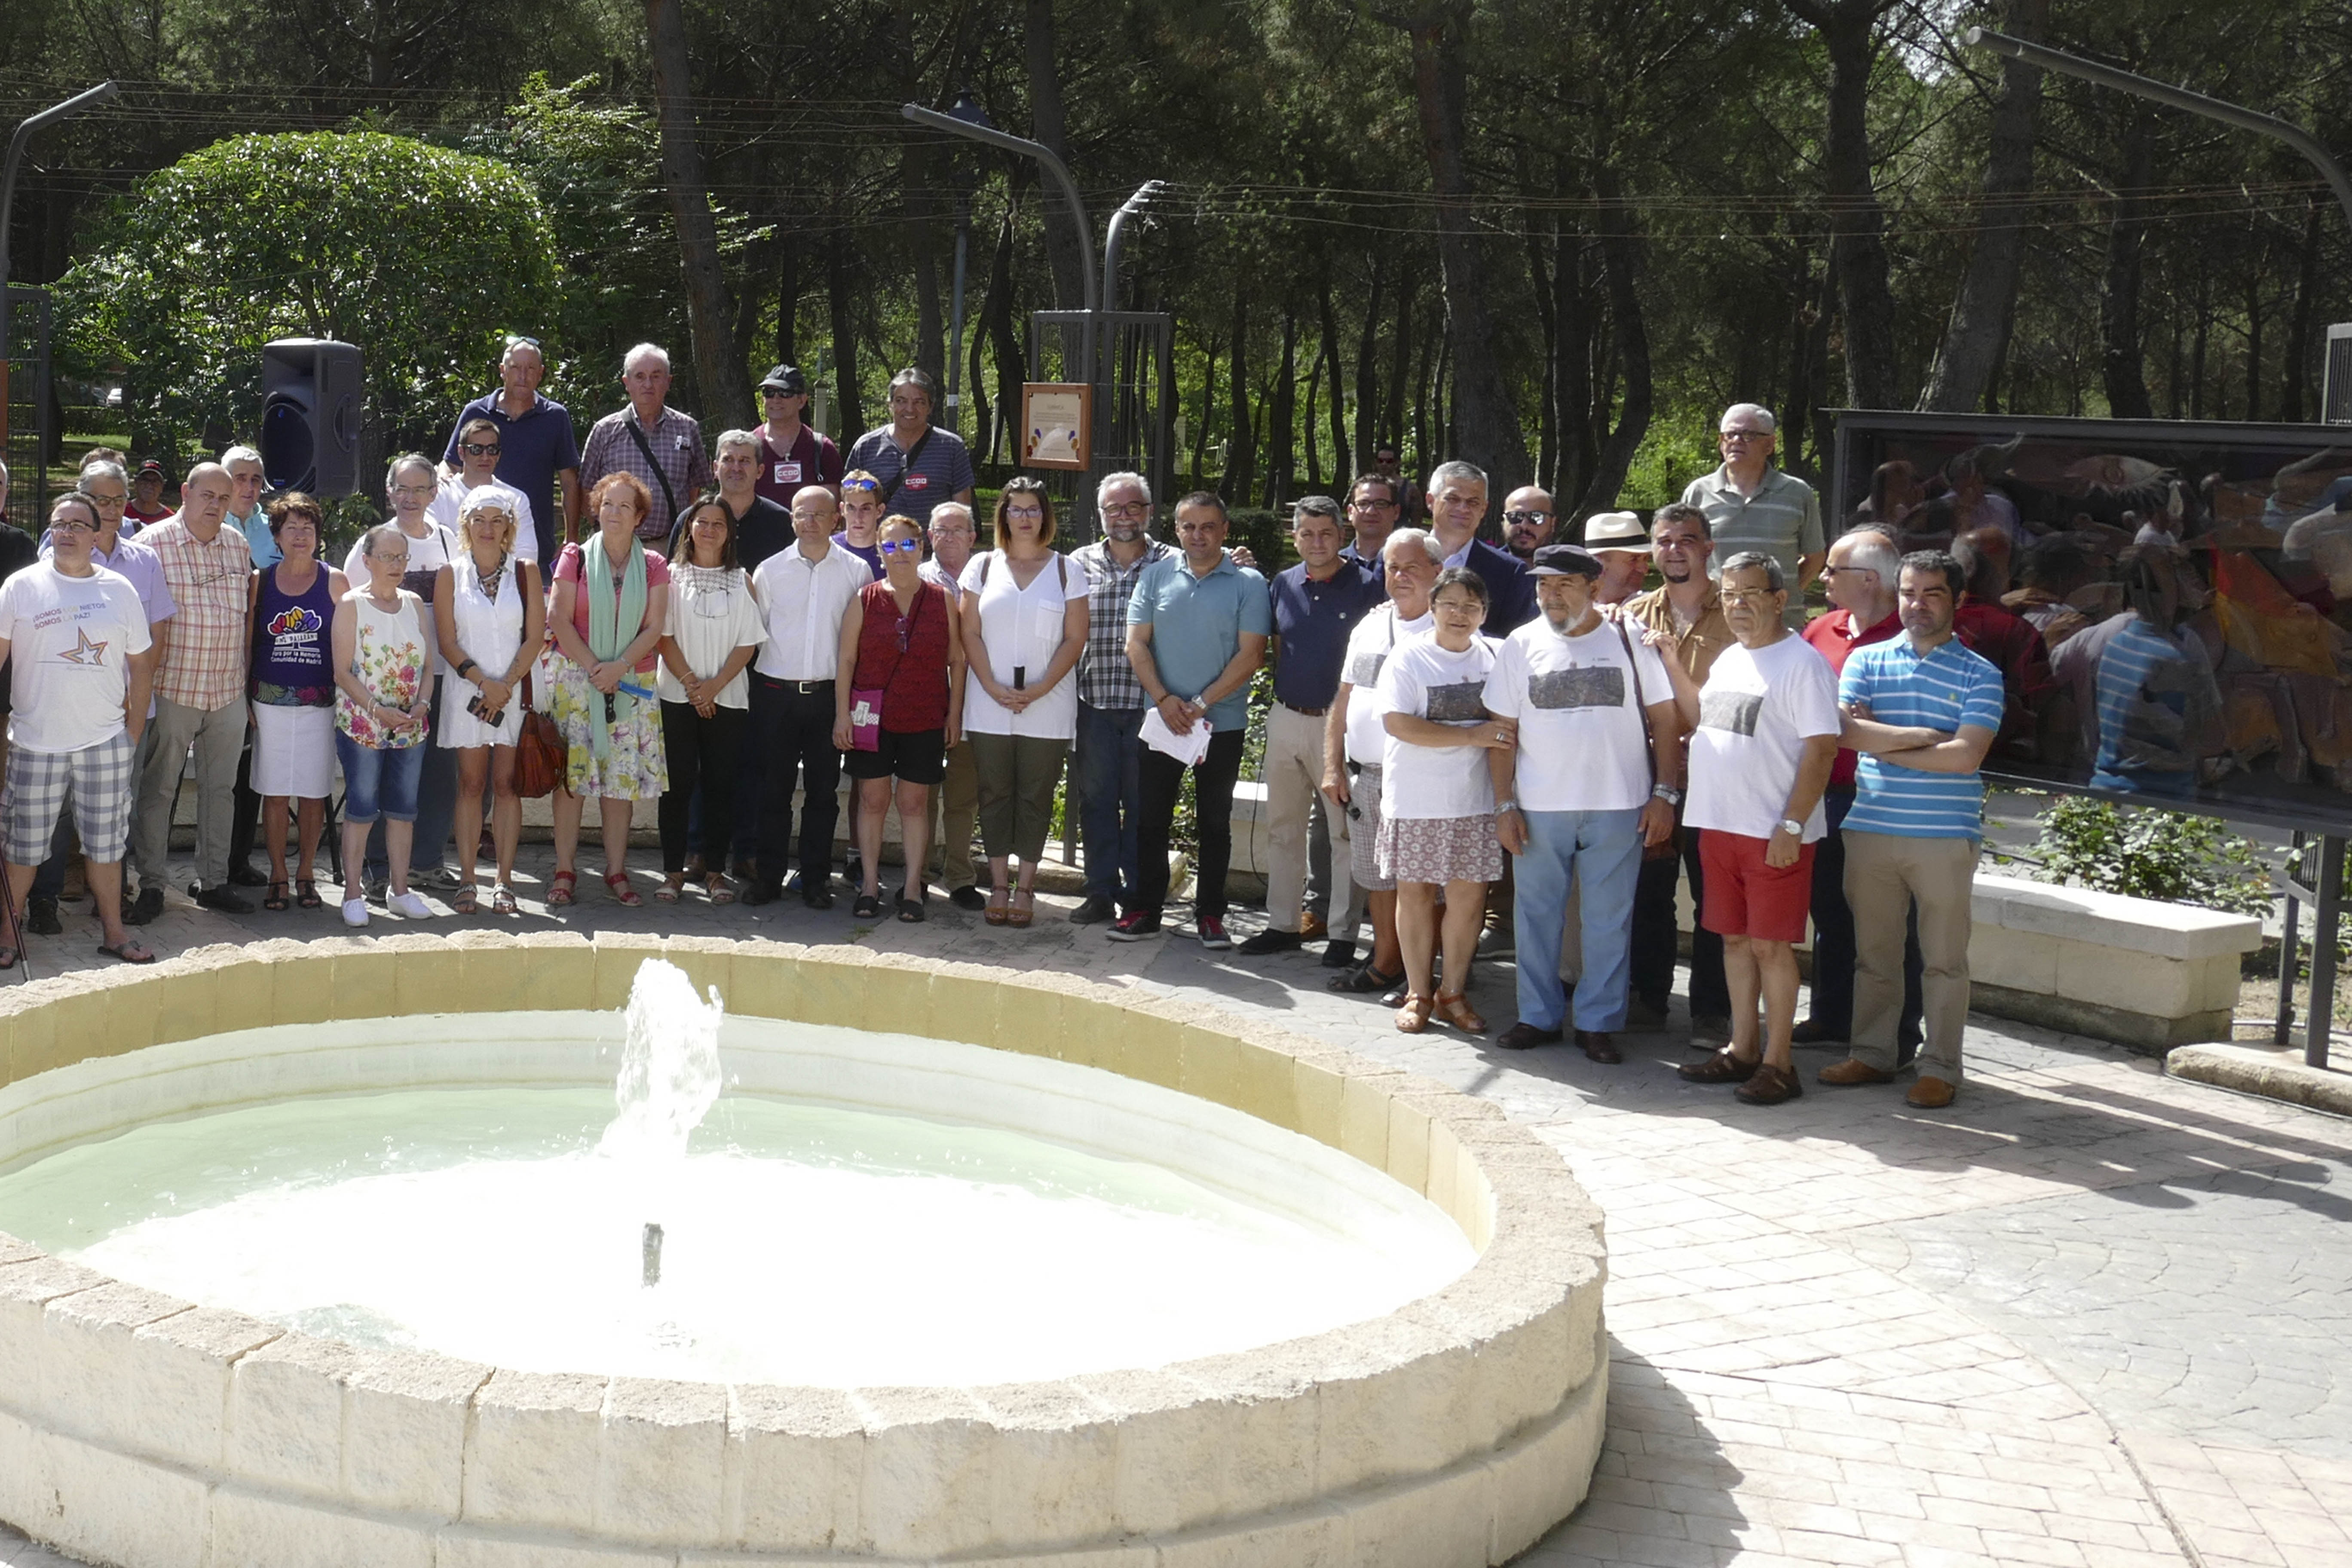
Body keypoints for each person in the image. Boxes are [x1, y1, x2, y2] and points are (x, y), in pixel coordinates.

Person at [1651, 553, 1842, 1107]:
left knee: (1771, 948)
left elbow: (1822, 748)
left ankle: (1781, 1065)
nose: (1736, 605)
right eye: (1729, 594)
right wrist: (1669, 661)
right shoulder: (1733, 657)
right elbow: (1701, 718)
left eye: (1750, 594)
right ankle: (1743, 1049)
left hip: (1772, 832)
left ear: (1780, 599)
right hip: (1720, 826)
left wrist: (1792, 823)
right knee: (1733, 942)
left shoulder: (1802, 665)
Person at [1822, 551, 2004, 1110]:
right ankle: (1874, 1054)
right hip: (1870, 828)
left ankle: (1941, 1067)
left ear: (1956, 600)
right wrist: (1923, 736)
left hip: (1944, 838)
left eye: (1932, 593)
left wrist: (1888, 739)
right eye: (1908, 592)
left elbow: (1965, 758)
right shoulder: (1866, 660)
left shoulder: (1982, 673)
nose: (1917, 604)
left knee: (1944, 960)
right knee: (1874, 955)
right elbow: (1843, 734)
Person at [1485, 543, 1680, 1061]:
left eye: (1564, 585)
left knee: (1608, 920)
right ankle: (1538, 1017)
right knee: (1536, 917)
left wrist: (1664, 794)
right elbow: (1502, 731)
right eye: (1543, 585)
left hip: (1620, 803)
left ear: (1594, 589)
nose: (1550, 595)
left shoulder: (1629, 637)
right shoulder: (1520, 645)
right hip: (1538, 807)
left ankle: (1598, 1023)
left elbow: (1665, 719)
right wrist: (1504, 805)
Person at [0, 493, 158, 965]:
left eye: (77, 524)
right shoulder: (19, 588)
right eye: (59, 524)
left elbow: (143, 667)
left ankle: (114, 933)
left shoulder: (120, 591)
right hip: (35, 741)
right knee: (23, 848)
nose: (67, 532)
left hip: (104, 742)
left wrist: (131, 733)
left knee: (107, 846)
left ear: (96, 535)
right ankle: (8, 937)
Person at [24, 462, 175, 935]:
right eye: (100, 501)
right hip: (56, 715)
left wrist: (133, 718)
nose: (110, 510)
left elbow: (154, 638)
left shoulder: (143, 562)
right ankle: (44, 902)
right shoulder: (53, 555)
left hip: (123, 714)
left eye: (116, 501)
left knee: (116, 814)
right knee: (54, 817)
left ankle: (110, 906)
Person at [1116, 491, 1270, 945]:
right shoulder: (1155, 576)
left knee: (1214, 823)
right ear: (1176, 531)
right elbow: (1136, 644)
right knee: (1149, 819)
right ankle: (1145, 909)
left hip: (1220, 723)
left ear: (1225, 530)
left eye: (1208, 526)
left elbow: (1253, 654)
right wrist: (1164, 700)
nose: (1197, 535)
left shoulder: (1249, 582)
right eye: (1188, 527)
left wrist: (1200, 704)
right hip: (1162, 721)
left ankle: (1211, 915)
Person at [1241, 495, 1380, 959]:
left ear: (1342, 535)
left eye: (1326, 533)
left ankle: (1342, 934)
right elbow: (1281, 648)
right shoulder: (1282, 583)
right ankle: (1282, 923)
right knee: (1283, 826)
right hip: (1286, 716)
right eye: (1307, 533)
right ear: (1295, 537)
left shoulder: (1368, 585)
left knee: (1343, 833)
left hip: (1337, 725)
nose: (1317, 542)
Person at [1797, 527, 1917, 1050]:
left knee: (1888, 921)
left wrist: (1876, 726)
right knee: (1827, 910)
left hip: (1884, 798)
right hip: (1822, 792)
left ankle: (1896, 1031)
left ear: (1869, 580)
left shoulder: (1910, 635)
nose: (1822, 577)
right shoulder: (1819, 629)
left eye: (1833, 570)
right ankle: (1830, 1015)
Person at [1622, 502, 1737, 1035]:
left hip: (1720, 779)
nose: (1675, 550)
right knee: (1650, 894)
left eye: (1686, 540)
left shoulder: (1737, 613)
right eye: (1664, 541)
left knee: (1716, 900)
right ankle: (1650, 997)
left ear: (1708, 548)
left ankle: (1713, 1010)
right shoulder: (1631, 616)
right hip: (1652, 778)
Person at [1377, 567, 1510, 1033]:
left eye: (1471, 606)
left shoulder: (1496, 655)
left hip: (1474, 802)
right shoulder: (1409, 659)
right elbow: (1398, 724)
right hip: (1416, 799)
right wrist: (1473, 734)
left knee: (1468, 900)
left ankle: (1453, 992)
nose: (1460, 614)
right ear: (1433, 608)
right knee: (1413, 894)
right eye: (1450, 604)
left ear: (1484, 613)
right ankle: (1418, 994)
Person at [959, 479, 1086, 927]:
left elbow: (1076, 638)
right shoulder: (982, 566)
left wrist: (1040, 688)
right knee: (993, 794)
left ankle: (1026, 888)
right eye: (1016, 510)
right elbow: (969, 631)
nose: (1025, 518)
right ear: (1004, 517)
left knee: (1035, 796)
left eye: (1033, 509)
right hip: (989, 700)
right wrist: (992, 686)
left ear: (1045, 515)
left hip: (1047, 704)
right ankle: (997, 884)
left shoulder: (1068, 570)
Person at [127, 462, 251, 919]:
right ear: (185, 493)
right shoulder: (150, 546)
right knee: (158, 791)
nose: (216, 506)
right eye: (208, 496)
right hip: (173, 688)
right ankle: (153, 886)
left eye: (224, 498)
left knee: (222, 790)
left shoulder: (238, 546)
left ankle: (214, 881)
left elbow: (246, 618)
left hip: (226, 690)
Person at [1323, 529, 1442, 998]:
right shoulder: (1370, 625)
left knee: (1425, 883)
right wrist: (1333, 765)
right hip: (1368, 776)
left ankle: (1422, 974)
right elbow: (1344, 698)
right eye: (1394, 567)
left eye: (1413, 567)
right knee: (1378, 877)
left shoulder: (1449, 628)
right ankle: (1388, 964)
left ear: (1438, 572)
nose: (1402, 576)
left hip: (1425, 780)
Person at [547, 473, 671, 908]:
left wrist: (618, 668)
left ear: (639, 517)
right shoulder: (575, 557)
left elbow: (655, 626)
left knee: (620, 785)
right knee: (572, 783)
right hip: (578, 682)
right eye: (606, 505)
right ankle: (565, 870)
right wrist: (596, 667)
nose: (613, 513)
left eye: (624, 507)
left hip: (630, 684)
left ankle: (616, 870)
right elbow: (558, 618)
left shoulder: (654, 565)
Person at [345, 456, 464, 900]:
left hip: (437, 676)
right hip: (382, 682)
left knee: (437, 774)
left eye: (421, 489)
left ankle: (428, 863)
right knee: (380, 778)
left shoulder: (452, 542)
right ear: (389, 492)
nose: (412, 498)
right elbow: (353, 606)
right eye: (403, 489)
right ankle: (378, 871)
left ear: (435, 493)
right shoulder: (371, 543)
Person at [746, 486, 869, 908]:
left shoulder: (856, 572)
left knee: (823, 794)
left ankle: (816, 880)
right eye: (803, 513)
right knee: (772, 792)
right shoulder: (769, 570)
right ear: (792, 519)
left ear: (836, 518)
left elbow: (859, 645)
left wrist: (845, 710)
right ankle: (768, 877)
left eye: (820, 514)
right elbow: (754, 636)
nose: (811, 521)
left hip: (827, 698)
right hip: (775, 695)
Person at [836, 514, 962, 919]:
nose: (899, 553)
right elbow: (847, 660)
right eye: (890, 546)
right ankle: (870, 885)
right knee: (872, 800)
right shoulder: (865, 598)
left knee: (914, 802)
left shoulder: (942, 598)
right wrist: (842, 716)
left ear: (921, 548)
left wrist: (954, 714)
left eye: (907, 544)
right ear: (879, 551)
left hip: (925, 714)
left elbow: (957, 660)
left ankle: (911, 888)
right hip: (870, 717)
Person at [1069, 472, 1176, 925]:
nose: (1124, 516)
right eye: (1114, 509)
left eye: (1133, 507)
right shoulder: (1078, 563)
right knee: (1095, 800)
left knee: (1142, 804)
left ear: (1150, 512)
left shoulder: (1173, 562)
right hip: (1094, 702)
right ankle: (1099, 891)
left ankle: (1139, 894)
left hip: (1150, 704)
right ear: (1101, 516)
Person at [435, 484, 546, 916]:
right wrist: (486, 684)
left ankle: (504, 881)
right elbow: (447, 641)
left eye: (496, 519)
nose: (487, 528)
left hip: (514, 693)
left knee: (506, 784)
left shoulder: (526, 571)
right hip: (469, 693)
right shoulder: (451, 573)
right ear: (465, 525)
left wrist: (506, 686)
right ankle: (467, 879)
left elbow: (535, 636)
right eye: (478, 519)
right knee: (471, 784)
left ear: (509, 527)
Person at [653, 492, 764, 906]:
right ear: (689, 528)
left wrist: (713, 687)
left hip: (728, 698)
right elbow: (662, 636)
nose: (710, 530)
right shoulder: (669, 576)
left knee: (721, 786)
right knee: (677, 786)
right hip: (676, 695)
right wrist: (692, 685)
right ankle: (672, 872)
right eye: (703, 522)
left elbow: (748, 644)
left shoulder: (742, 579)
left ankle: (716, 873)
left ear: (729, 533)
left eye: (719, 523)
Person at [331, 525, 438, 928]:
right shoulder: (351, 605)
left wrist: (423, 703)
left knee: (403, 810)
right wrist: (377, 710)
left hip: (410, 725)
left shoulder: (414, 603)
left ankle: (401, 891)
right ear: (368, 561)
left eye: (402, 558)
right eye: (388, 557)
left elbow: (428, 666)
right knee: (361, 809)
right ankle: (353, 894)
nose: (396, 566)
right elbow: (342, 672)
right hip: (364, 725)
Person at [245, 493, 344, 913]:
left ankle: (307, 874)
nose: (301, 536)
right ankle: (278, 875)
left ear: (318, 536)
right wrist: (245, 695)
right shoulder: (260, 581)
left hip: (320, 704)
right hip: (269, 701)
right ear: (277, 536)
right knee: (275, 792)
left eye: (308, 528)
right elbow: (249, 641)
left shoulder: (335, 580)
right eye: (292, 528)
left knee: (313, 792)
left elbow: (350, 643)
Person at [2087, 544, 2224, 799]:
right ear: (2169, 588)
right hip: (2159, 802)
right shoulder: (2177, 656)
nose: (2195, 580)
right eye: (2183, 573)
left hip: (2105, 791)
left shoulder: (2115, 644)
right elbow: (2213, 739)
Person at [440, 334, 582, 560]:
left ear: (541, 373)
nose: (523, 376)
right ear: (503, 370)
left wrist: (571, 538)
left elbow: (569, 483)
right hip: (474, 542)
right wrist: (442, 486)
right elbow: (450, 466)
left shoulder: (556, 417)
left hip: (535, 542)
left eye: (531, 369)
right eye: (516, 368)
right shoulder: (475, 413)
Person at [1681, 404, 1825, 621]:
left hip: (1780, 625)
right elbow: (1683, 555)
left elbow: (1815, 557)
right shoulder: (1698, 493)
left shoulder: (1797, 493)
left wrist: (1777, 594)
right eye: (1730, 435)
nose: (1736, 441)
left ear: (1770, 445)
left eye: (1748, 435)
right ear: (1721, 443)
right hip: (1715, 624)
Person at [579, 343, 710, 546]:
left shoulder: (687, 429)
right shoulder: (604, 430)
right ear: (627, 382)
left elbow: (695, 488)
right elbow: (587, 489)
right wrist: (605, 530)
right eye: (640, 376)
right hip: (614, 546)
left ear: (668, 382)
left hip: (668, 546)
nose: (648, 384)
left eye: (656, 376)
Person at [1949, 530, 2061, 763]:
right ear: (2006, 573)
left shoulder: (1919, 621)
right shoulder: (2016, 632)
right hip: (1998, 765)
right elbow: (2046, 708)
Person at [921, 501, 985, 908]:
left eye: (957, 530)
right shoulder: (915, 575)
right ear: (929, 536)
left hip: (977, 700)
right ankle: (920, 874)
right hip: (926, 702)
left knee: (964, 796)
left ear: (973, 537)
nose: (948, 537)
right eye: (940, 530)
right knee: (921, 796)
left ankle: (960, 876)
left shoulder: (991, 576)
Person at [218, 445, 275, 889]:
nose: (249, 488)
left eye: (256, 480)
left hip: (255, 663)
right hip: (207, 661)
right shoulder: (204, 519)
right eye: (241, 478)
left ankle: (236, 862)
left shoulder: (267, 529)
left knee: (246, 773)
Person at [1423, 461, 1536, 634]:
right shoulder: (1398, 559)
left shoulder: (1509, 572)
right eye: (1453, 499)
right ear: (1431, 501)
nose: (1463, 508)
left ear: (1484, 509)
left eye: (1473, 502)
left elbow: (1515, 643)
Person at [845, 367, 976, 511]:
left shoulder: (952, 448)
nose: (910, 409)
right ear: (890, 404)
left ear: (930, 407)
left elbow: (963, 514)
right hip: (880, 535)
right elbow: (849, 506)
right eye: (901, 401)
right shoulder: (866, 447)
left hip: (934, 535)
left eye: (919, 402)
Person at [430, 417, 542, 565]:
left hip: (504, 585)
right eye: (476, 449)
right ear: (461, 452)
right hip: (450, 583)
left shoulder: (517, 499)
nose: (485, 457)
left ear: (499, 455)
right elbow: (431, 548)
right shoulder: (440, 494)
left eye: (492, 450)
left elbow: (527, 556)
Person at [751, 364, 843, 513]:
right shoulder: (749, 448)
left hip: (808, 534)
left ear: (802, 400)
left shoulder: (822, 449)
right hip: (758, 535)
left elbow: (830, 508)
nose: (776, 399)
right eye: (769, 393)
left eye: (785, 393)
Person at [706, 428, 795, 573]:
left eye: (744, 461)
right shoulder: (694, 521)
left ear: (760, 471)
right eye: (728, 460)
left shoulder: (781, 521)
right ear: (715, 468)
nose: (736, 468)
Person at [1580, 511, 1651, 605]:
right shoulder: (1571, 609)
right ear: (1598, 564)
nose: (1645, 569)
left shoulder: (1652, 609)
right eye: (1633, 559)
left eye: (1646, 559)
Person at [831, 470, 890, 576]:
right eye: (851, 508)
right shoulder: (828, 549)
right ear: (842, 509)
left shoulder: (892, 551)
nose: (858, 518)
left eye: (866, 509)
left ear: (880, 511)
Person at [1342, 472, 1406, 567]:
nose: (1371, 512)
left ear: (1396, 512)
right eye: (1363, 504)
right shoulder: (1333, 567)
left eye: (1381, 504)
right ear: (1351, 512)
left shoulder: (1410, 565)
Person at [1502, 486, 1558, 562]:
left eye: (1536, 517)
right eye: (1515, 516)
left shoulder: (1572, 570)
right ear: (1504, 521)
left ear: (1552, 523)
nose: (1524, 526)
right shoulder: (1484, 567)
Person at [126, 459, 174, 529]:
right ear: (136, 483)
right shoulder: (122, 513)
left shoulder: (170, 520)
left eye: (155, 482)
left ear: (162, 487)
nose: (149, 486)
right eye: (145, 480)